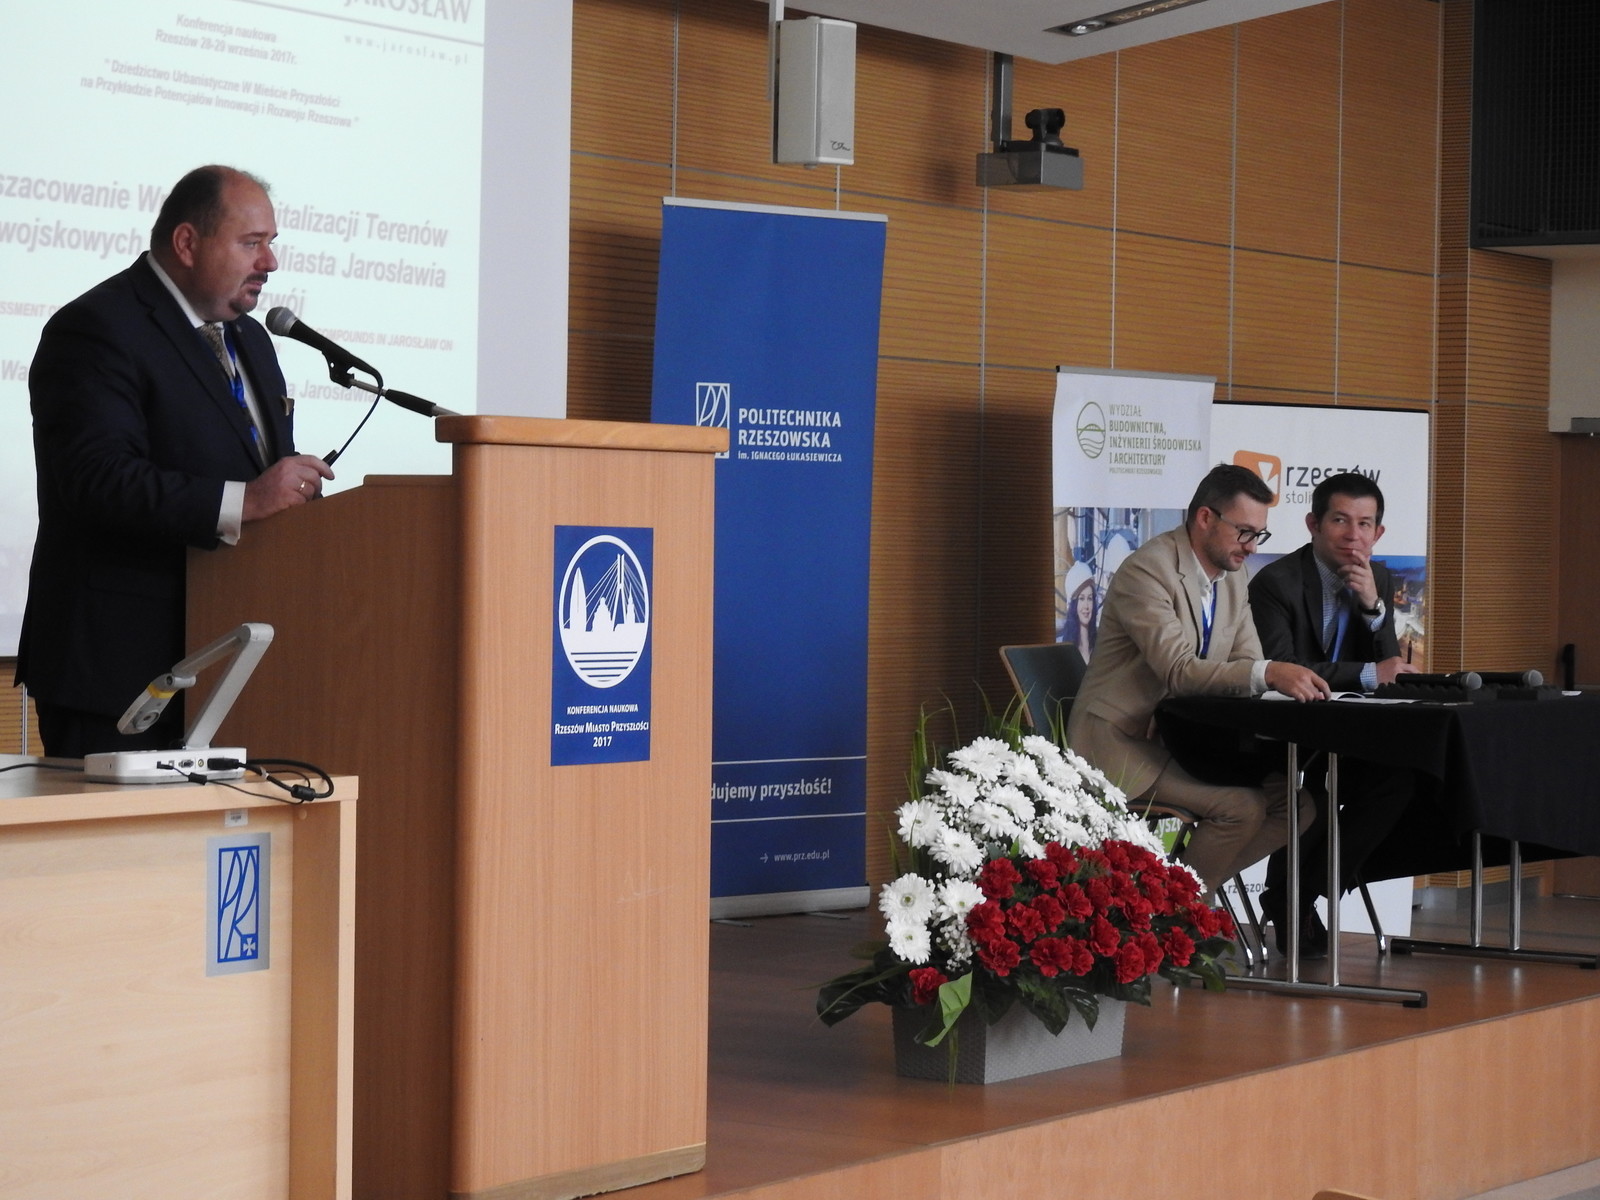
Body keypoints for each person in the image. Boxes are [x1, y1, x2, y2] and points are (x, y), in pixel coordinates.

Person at [17, 165, 334, 758]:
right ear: (187, 243)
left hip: (233, 664)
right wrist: (247, 500)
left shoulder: (251, 339)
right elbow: (94, 478)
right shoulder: (96, 328)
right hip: (120, 670)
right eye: (252, 243)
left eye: (271, 243)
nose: (270, 262)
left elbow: (254, 465)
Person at [1066, 464, 1329, 896]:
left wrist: (1261, 672)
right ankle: (1176, 909)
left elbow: (1246, 658)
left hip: (1180, 737)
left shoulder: (1233, 576)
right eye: (1244, 532)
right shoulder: (1147, 571)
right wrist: (1269, 673)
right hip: (1119, 741)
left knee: (1297, 806)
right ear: (1206, 517)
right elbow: (1179, 670)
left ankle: (1174, 897)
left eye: (1259, 535)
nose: (1251, 546)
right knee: (1242, 808)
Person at [1248, 472, 1420, 955]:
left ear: (1378, 533)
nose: (1353, 535)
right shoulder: (1275, 583)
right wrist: (1367, 673)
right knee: (1315, 800)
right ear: (1314, 524)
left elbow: (1390, 672)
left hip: (1346, 734)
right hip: (1283, 733)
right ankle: (1293, 900)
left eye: (1365, 524)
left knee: (1400, 781)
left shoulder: (1379, 579)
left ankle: (1299, 894)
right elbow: (1282, 667)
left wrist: (1372, 609)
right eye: (1340, 521)